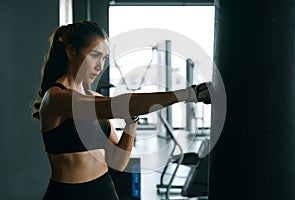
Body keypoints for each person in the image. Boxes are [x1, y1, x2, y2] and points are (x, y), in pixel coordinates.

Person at [32, 20, 211, 200]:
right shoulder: (55, 98)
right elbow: (117, 105)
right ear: (71, 52)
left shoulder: (94, 97)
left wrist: (130, 125)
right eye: (94, 55)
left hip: (105, 191)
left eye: (104, 58)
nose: (100, 66)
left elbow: (118, 161)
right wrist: (191, 93)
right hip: (68, 195)